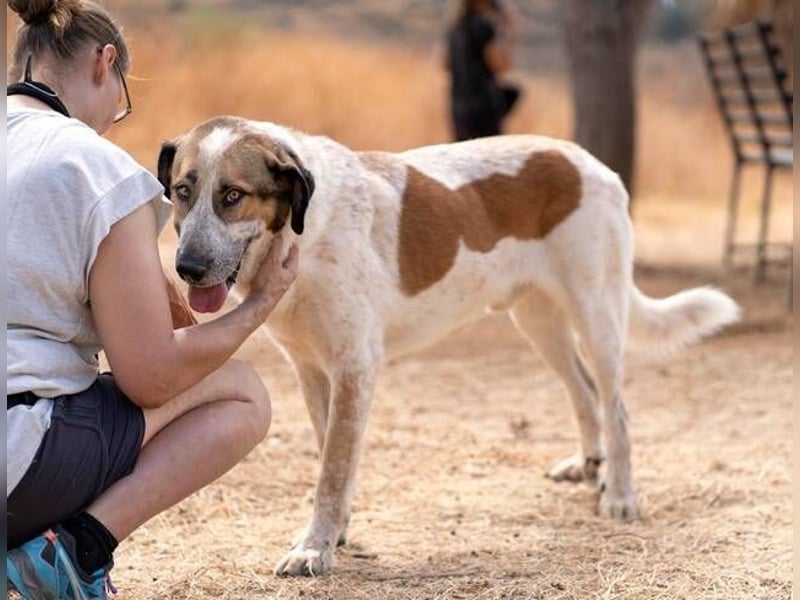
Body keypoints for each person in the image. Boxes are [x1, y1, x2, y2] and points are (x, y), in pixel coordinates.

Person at [6, 0, 300, 598]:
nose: (114, 120)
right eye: (123, 102)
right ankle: (74, 552)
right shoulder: (95, 164)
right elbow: (150, 378)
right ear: (104, 63)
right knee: (243, 391)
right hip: (19, 463)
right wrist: (259, 303)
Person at [445, 0, 522, 141]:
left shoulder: (456, 28)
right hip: (484, 104)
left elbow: (445, 63)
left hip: (458, 105)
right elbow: (500, 65)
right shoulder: (484, 26)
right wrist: (508, 33)